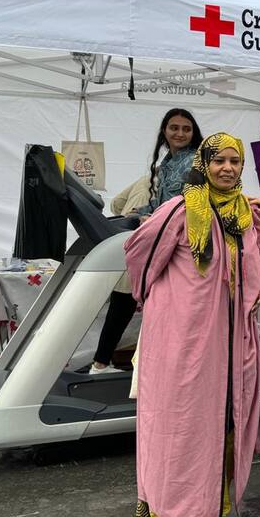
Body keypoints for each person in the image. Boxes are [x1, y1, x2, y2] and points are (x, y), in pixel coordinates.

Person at [124, 132, 260, 517]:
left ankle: (209, 511)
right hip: (181, 343)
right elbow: (138, 253)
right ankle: (170, 512)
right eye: (219, 160)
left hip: (229, 342)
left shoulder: (244, 216)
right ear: (203, 164)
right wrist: (163, 304)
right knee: (178, 423)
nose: (227, 168)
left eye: (235, 161)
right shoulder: (180, 210)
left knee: (218, 421)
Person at [91, 108, 202, 374]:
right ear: (164, 131)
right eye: (174, 127)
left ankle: (148, 367)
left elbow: (189, 204)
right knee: (130, 301)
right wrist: (140, 214)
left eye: (186, 129)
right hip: (160, 238)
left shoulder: (193, 162)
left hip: (178, 243)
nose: (180, 133)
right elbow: (160, 201)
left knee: (138, 303)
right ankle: (120, 364)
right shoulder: (166, 163)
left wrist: (153, 217)